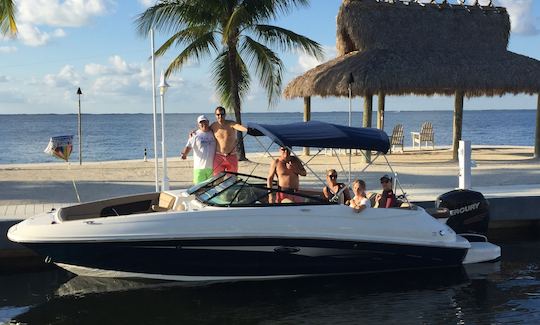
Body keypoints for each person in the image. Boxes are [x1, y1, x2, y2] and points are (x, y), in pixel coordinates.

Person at [210, 106, 247, 175]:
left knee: (232, 179)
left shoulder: (231, 124)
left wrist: (248, 129)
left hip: (231, 156)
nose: (220, 116)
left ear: (225, 115)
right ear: (215, 115)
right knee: (217, 179)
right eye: (218, 114)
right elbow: (204, 131)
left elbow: (239, 126)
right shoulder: (213, 126)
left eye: (222, 114)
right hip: (219, 157)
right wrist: (194, 132)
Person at [181, 115, 216, 184]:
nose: (204, 124)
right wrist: (184, 154)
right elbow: (188, 146)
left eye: (205, 122)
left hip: (212, 168)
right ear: (198, 124)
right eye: (201, 123)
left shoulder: (213, 133)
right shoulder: (195, 134)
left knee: (211, 190)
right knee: (198, 189)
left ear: (208, 122)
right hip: (199, 168)